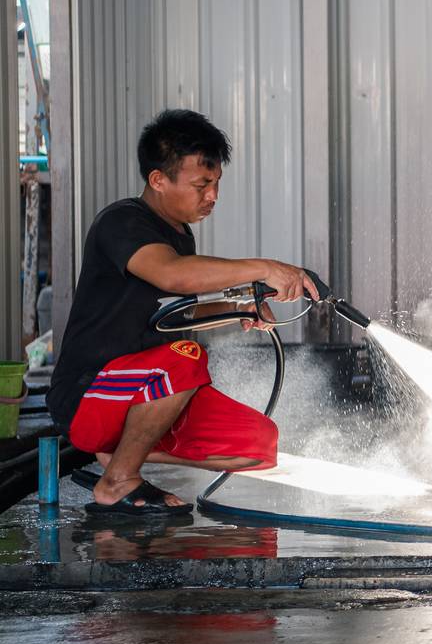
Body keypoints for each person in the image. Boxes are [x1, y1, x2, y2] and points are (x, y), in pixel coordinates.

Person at [47, 109, 320, 516]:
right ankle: (117, 479)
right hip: (90, 394)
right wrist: (266, 268)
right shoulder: (121, 222)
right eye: (202, 184)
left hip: (139, 395)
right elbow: (171, 276)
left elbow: (175, 312)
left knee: (258, 443)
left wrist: (237, 307)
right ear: (158, 180)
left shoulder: (179, 235)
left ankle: (121, 454)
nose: (212, 196)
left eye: (215, 184)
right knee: (185, 360)